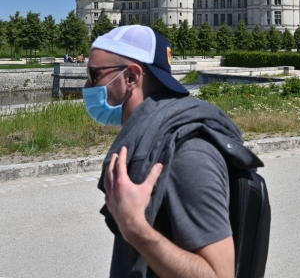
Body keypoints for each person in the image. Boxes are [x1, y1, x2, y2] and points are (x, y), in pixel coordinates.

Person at [85, 25, 253, 278]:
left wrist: (135, 228)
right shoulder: (151, 139)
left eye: (94, 74)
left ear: (131, 77)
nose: (86, 84)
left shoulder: (187, 154)